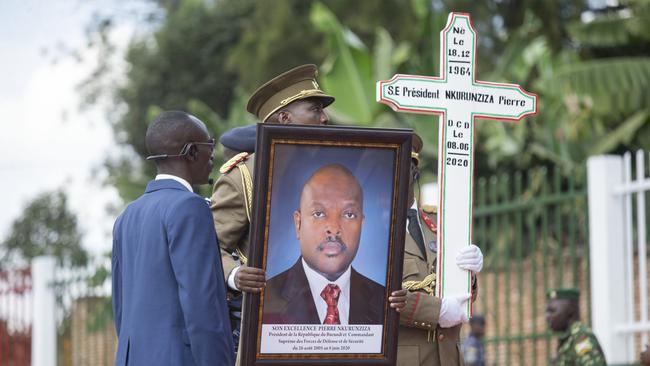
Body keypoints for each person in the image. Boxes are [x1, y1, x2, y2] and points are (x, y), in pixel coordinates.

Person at [111, 111, 234, 365]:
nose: (213, 155)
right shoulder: (190, 207)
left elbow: (121, 308)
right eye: (208, 145)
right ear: (191, 152)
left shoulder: (127, 216)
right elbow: (202, 307)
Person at [210, 64, 334, 296]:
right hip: (273, 312)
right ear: (285, 118)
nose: (325, 118)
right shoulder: (244, 177)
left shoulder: (336, 169)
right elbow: (211, 246)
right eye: (315, 110)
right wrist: (235, 275)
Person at [396, 133, 483, 366]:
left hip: (448, 358)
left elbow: (461, 296)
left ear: (415, 172)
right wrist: (436, 311)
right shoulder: (370, 229)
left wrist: (470, 278)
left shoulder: (441, 224)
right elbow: (375, 297)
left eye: (403, 167)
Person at [263, 164, 386, 324]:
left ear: (361, 224)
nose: (333, 229)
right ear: (298, 224)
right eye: (319, 214)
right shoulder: (265, 299)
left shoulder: (384, 300)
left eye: (349, 214)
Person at [546, 288, 606, 365]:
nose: (547, 317)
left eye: (552, 311)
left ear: (571, 310)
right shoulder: (568, 338)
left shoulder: (581, 337)